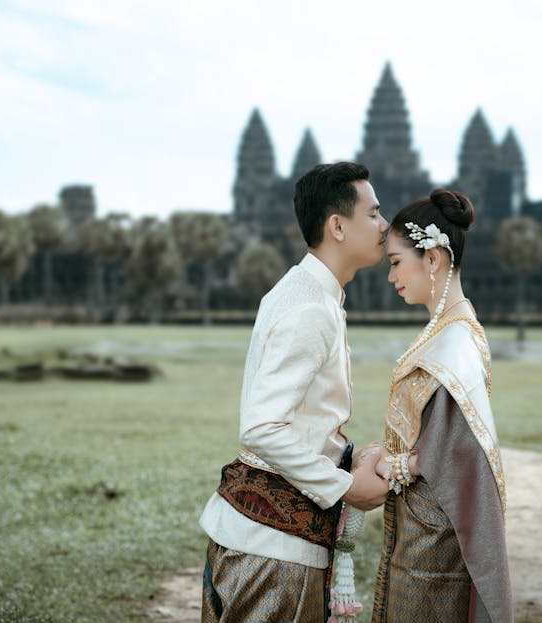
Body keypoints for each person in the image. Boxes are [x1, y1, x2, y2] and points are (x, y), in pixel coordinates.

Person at [199, 162, 391, 623]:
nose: (385, 226)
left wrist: (345, 454)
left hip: (260, 543)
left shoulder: (305, 293)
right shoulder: (311, 307)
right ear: (338, 226)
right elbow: (263, 426)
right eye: (374, 214)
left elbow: (301, 418)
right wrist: (347, 488)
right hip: (274, 557)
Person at [371, 189, 514, 623]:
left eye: (397, 262)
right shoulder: (447, 332)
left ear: (432, 259)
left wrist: (396, 467)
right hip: (420, 524)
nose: (392, 275)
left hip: (436, 540)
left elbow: (461, 450)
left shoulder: (457, 341)